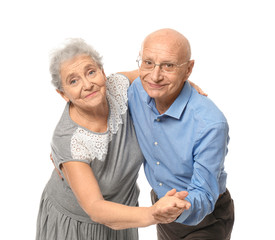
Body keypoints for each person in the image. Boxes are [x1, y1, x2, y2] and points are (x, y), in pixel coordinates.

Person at [35, 38, 192, 240]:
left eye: (91, 72)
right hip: (80, 225)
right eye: (73, 81)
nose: (87, 84)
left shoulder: (117, 85)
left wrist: (186, 85)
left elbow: (156, 79)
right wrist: (153, 213)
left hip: (124, 213)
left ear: (102, 72)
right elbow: (96, 209)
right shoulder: (70, 140)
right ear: (63, 94)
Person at [127, 28, 235, 239]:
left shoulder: (211, 123)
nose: (156, 76)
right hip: (161, 205)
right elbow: (92, 89)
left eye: (168, 66)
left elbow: (204, 195)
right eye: (148, 62)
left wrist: (173, 207)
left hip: (205, 218)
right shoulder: (136, 91)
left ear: (188, 69)